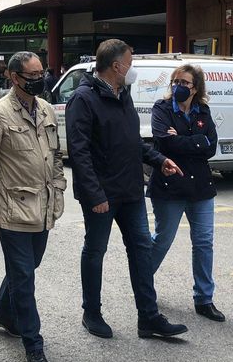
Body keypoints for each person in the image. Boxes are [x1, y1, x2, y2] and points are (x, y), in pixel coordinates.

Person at [66, 39, 187, 340]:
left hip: (130, 190)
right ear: (117, 66)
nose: (132, 70)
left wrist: (159, 160)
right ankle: (91, 313)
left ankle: (148, 318)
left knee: (141, 251)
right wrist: (95, 196)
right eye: (130, 63)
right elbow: (78, 153)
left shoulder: (124, 95)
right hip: (103, 195)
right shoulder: (83, 99)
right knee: (95, 252)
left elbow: (132, 142)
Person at [0, 53, 65, 362]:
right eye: (33, 74)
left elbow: (54, 155)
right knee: (24, 277)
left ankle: (3, 312)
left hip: (43, 207)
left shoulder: (46, 109)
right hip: (11, 209)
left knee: (28, 267)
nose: (41, 78)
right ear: (14, 77)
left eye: (43, 72)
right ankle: (33, 343)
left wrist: (59, 182)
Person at [147, 64, 224, 322]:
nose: (179, 86)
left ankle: (204, 298)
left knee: (204, 243)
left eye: (185, 83)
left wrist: (182, 138)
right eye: (176, 81)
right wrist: (195, 141)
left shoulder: (204, 111)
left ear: (196, 88)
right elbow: (164, 141)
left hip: (201, 187)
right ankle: (143, 283)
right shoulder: (161, 108)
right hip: (170, 185)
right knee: (162, 239)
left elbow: (211, 146)